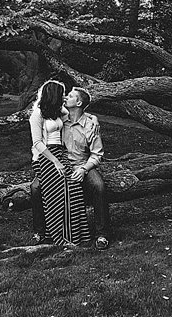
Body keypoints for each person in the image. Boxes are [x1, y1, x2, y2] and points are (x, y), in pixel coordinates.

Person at [30, 86, 111, 250]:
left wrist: (83, 169)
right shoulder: (60, 118)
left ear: (79, 102)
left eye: (71, 96)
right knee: (35, 187)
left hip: (82, 165)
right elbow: (40, 118)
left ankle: (102, 234)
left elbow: (97, 154)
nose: (65, 97)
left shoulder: (90, 125)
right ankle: (40, 231)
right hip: (59, 165)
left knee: (99, 186)